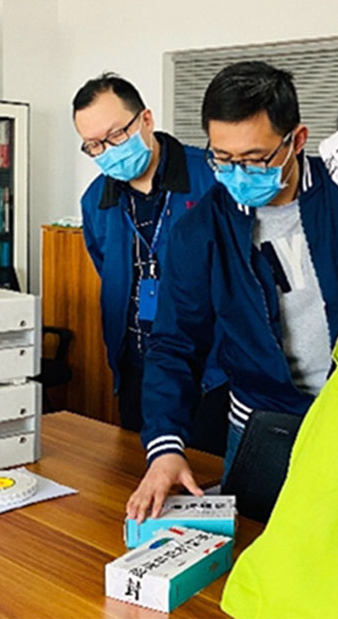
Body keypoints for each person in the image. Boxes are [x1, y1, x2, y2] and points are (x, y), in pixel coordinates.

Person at [125, 61, 338, 519]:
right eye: (223, 158)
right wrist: (165, 445)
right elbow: (175, 343)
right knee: (255, 546)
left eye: (255, 159)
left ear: (296, 140)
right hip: (261, 426)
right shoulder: (201, 230)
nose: (238, 173)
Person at [75, 72, 228, 454]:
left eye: (116, 135)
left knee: (208, 476)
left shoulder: (212, 179)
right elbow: (107, 270)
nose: (108, 151)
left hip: (212, 372)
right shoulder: (95, 201)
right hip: (137, 371)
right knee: (141, 474)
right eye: (94, 145)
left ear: (146, 119)